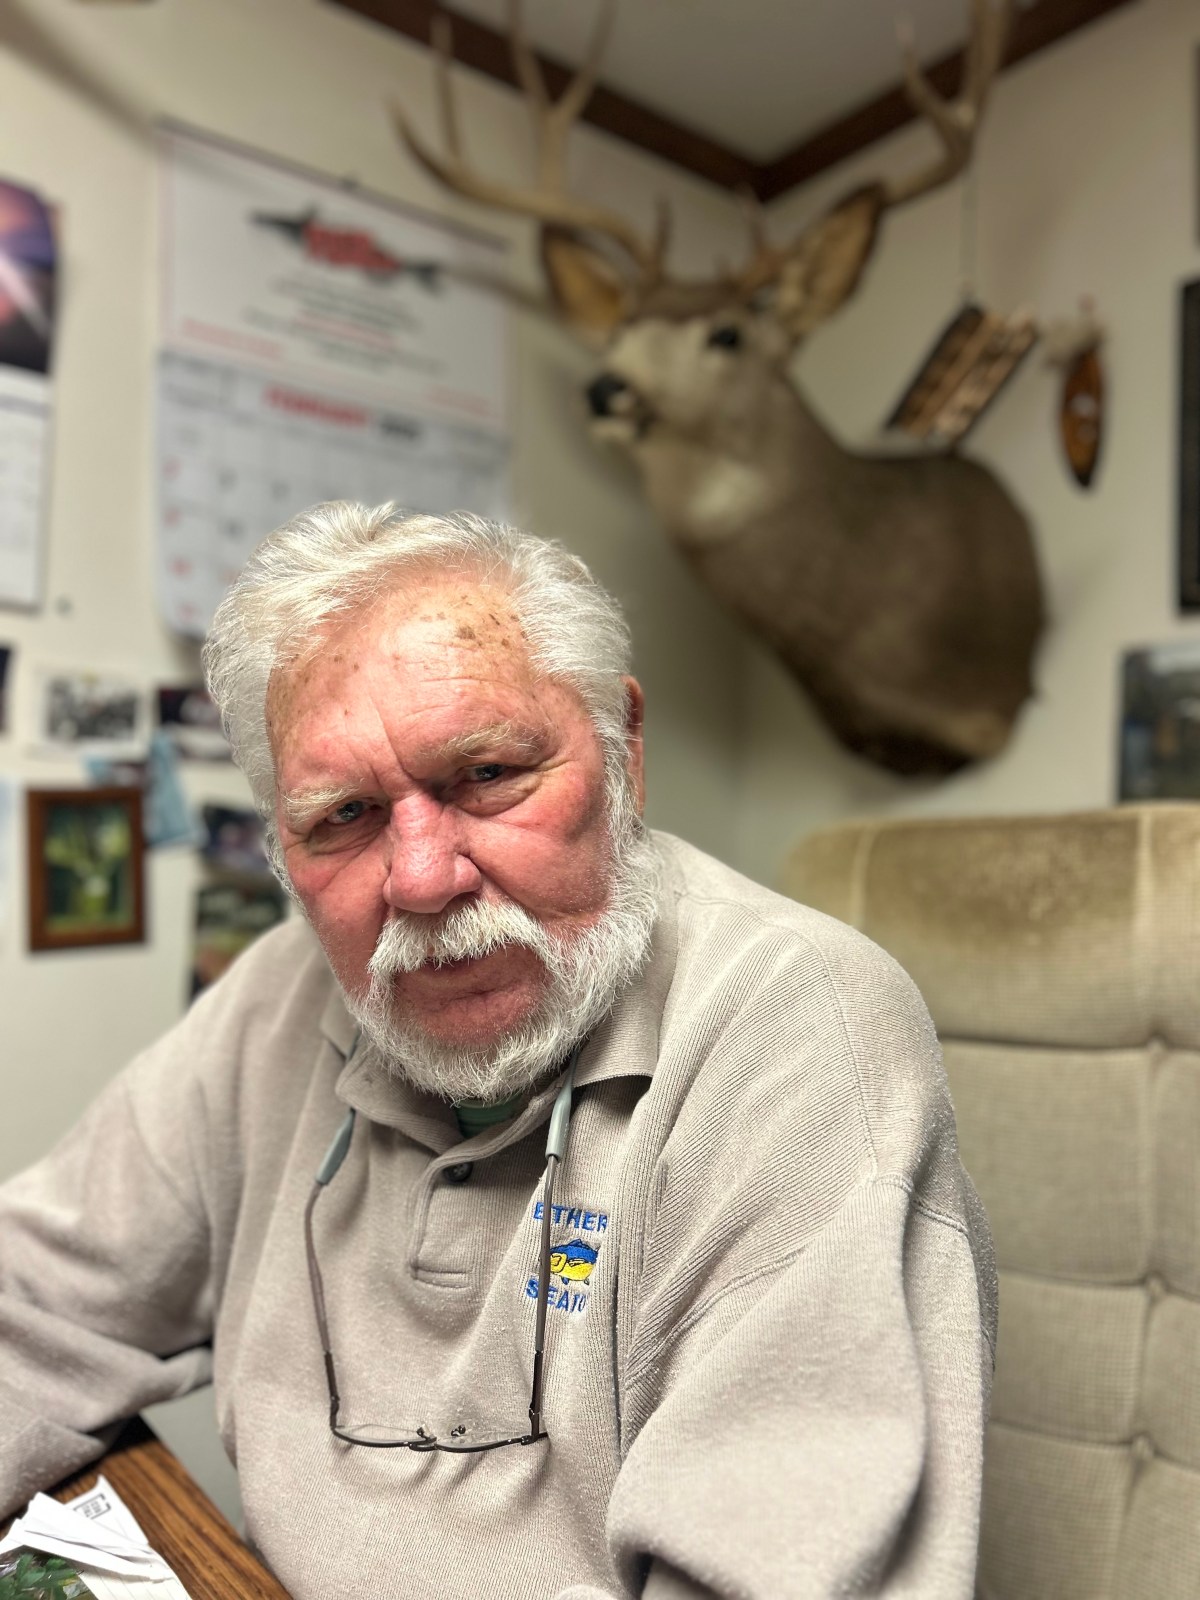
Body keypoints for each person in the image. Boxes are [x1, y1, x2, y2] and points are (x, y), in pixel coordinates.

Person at [0, 505, 996, 1598]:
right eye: (345, 814)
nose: (422, 880)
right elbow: (28, 1301)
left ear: (623, 752)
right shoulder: (282, 995)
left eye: (485, 774)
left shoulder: (803, 1027)